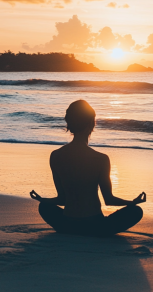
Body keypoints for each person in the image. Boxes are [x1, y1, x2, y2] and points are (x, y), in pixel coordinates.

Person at [30, 99, 146, 236]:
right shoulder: (101, 159)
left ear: (70, 124)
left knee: (44, 207)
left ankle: (69, 229)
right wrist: (133, 202)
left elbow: (62, 199)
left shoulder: (55, 156)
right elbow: (109, 199)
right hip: (95, 226)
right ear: (92, 123)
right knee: (135, 211)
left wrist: (42, 200)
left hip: (67, 224)